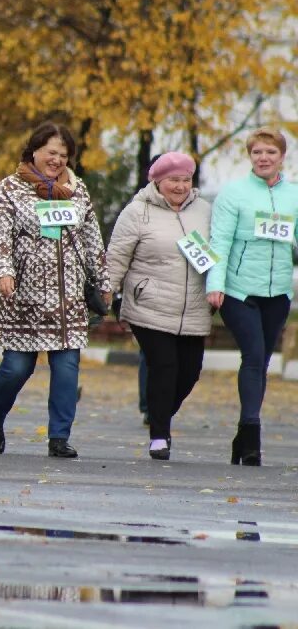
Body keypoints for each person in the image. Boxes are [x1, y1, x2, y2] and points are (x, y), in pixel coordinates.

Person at [0, 122, 110, 458]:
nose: (56, 160)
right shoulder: (10, 188)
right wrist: (3, 272)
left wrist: (104, 282)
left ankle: (59, 437)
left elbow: (92, 239)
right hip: (23, 293)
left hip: (68, 295)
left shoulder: (78, 190)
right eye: (51, 152)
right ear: (34, 150)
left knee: (67, 369)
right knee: (16, 368)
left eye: (63, 155)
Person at [106, 152, 211, 460]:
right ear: (157, 181)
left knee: (189, 372)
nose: (180, 187)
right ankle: (159, 436)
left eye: (185, 180)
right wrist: (107, 293)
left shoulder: (204, 210)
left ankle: (159, 412)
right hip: (148, 304)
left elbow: (218, 250)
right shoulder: (138, 211)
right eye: (173, 180)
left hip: (193, 305)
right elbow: (117, 255)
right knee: (163, 366)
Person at [206, 127, 298, 466]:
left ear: (281, 157)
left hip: (278, 293)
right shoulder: (234, 193)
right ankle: (251, 435)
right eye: (257, 152)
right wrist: (214, 285)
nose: (263, 158)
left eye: (270, 153)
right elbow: (220, 242)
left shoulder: (293, 196)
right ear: (250, 156)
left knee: (262, 364)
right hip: (238, 290)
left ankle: (243, 436)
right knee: (255, 356)